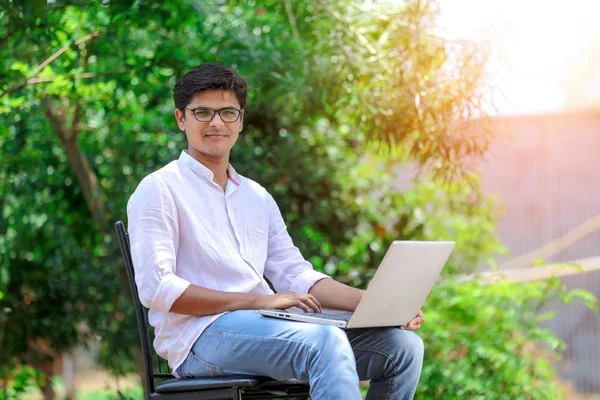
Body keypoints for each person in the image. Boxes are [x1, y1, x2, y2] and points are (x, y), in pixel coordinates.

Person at [127, 63, 425, 400]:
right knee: (324, 343)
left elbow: (295, 275)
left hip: (267, 324)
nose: (216, 123)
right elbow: (157, 289)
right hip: (201, 338)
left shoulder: (256, 196)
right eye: (202, 113)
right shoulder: (160, 189)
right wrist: (260, 300)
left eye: (227, 112)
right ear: (181, 119)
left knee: (402, 347)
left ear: (240, 120)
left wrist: (378, 305)